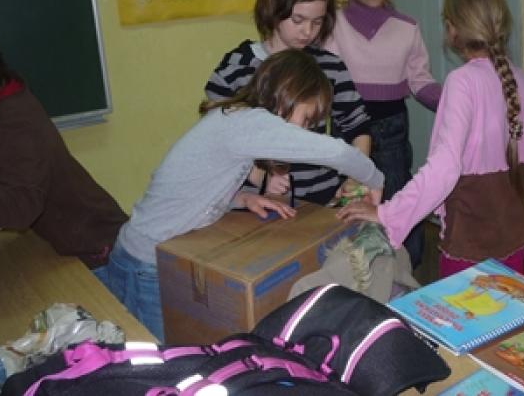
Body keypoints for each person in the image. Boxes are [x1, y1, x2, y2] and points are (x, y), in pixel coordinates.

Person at [105, 50, 384, 342]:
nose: (305, 129)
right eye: (306, 119)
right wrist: (375, 180)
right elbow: (338, 153)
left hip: (146, 253)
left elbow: (192, 187)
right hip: (145, 263)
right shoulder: (249, 123)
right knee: (155, 356)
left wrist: (240, 199)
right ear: (286, 96)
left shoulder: (236, 118)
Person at [336, 0, 524, 277]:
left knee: (461, 309)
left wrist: (387, 213)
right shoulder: (522, 80)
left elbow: (444, 168)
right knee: (507, 305)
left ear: (451, 29)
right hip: (513, 228)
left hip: (472, 235)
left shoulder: (462, 82)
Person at [205, 0, 371, 206]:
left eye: (317, 22)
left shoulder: (330, 67)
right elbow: (216, 139)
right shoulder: (238, 68)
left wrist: (355, 176)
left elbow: (358, 128)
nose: (308, 32)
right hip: (254, 205)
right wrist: (261, 177)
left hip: (319, 201)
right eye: (298, 20)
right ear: (274, 7)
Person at [324, 0, 442, 268]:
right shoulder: (331, 24)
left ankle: (407, 268)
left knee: (398, 198)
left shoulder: (407, 27)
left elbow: (420, 80)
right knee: (348, 201)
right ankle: (353, 271)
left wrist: (454, 102)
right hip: (347, 128)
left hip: (392, 128)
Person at [0, 29, 127, 269]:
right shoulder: (1, 101)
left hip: (99, 249)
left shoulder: (16, 125)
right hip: (72, 241)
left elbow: (17, 210)